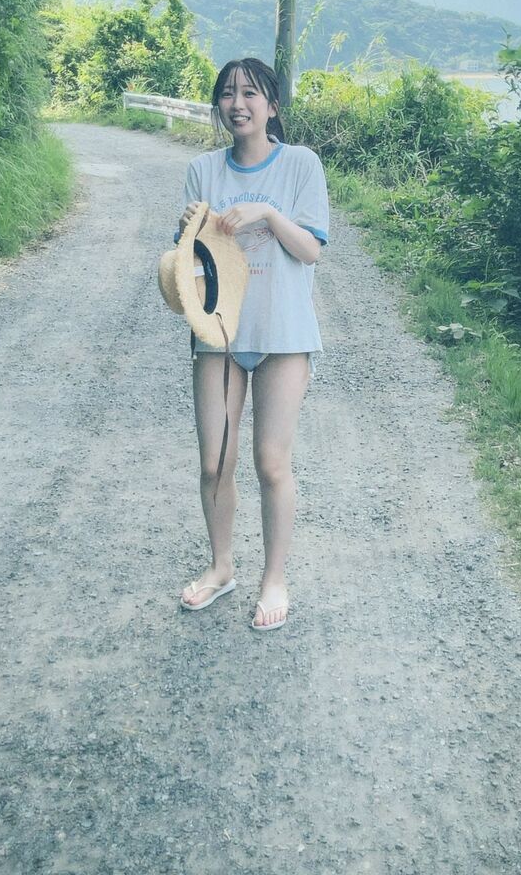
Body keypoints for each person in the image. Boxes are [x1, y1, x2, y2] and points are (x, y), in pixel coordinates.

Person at [176, 57, 329, 631]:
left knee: (271, 462)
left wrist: (266, 211)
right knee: (214, 461)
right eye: (227, 94)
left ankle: (274, 579)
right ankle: (221, 568)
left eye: (250, 93)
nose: (237, 104)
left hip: (283, 335)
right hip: (218, 334)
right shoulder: (202, 171)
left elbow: (311, 250)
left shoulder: (300, 165)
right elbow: (189, 264)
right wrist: (191, 238)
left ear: (272, 105)